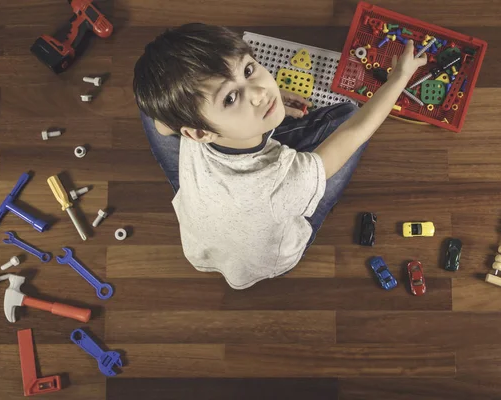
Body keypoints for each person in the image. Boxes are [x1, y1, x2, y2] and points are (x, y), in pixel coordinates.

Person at [133, 23, 427, 289]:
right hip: (269, 256)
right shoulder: (283, 181)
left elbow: (161, 122)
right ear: (198, 134)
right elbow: (356, 132)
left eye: (248, 71)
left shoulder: (192, 129)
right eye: (231, 98)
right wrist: (399, 77)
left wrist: (274, 103)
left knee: (155, 109)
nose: (261, 91)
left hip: (202, 241)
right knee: (349, 115)